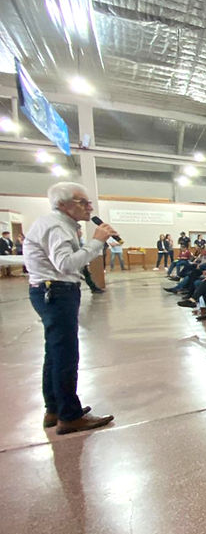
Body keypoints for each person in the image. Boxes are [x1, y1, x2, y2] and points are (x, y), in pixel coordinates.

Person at [23, 182, 118, 434]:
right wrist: (97, 242)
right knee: (65, 354)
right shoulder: (56, 226)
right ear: (62, 204)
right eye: (82, 202)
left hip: (49, 290)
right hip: (56, 291)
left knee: (54, 352)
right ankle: (69, 415)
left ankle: (54, 407)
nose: (90, 206)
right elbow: (65, 264)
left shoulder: (59, 224)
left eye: (88, 202)